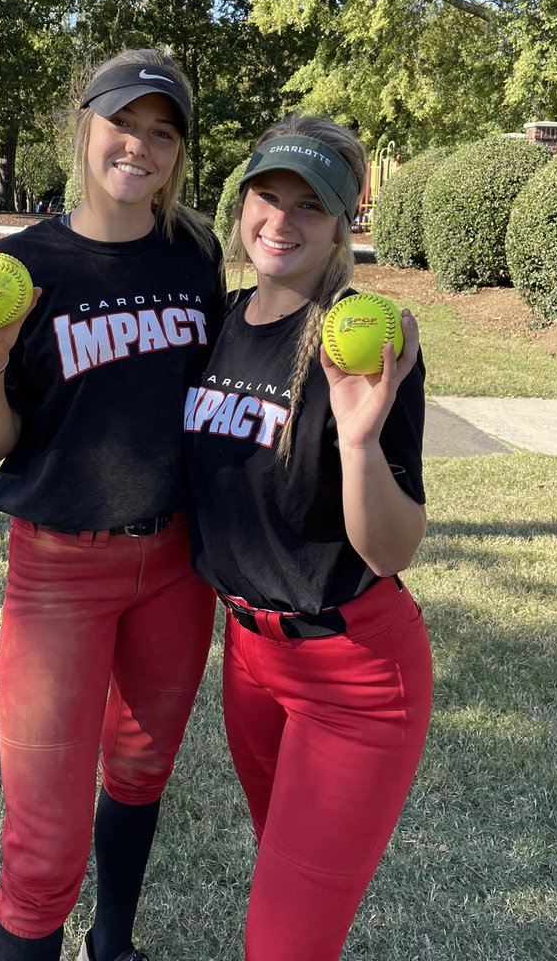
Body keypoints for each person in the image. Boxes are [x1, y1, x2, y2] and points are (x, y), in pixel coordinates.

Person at [0, 49, 223, 961]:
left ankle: (114, 946)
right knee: (41, 851)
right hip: (61, 570)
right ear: (85, 126)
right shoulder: (22, 266)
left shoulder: (195, 253)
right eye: (124, 124)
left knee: (141, 772)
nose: (140, 147)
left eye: (162, 133)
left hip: (176, 567)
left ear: (178, 152)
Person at [184, 114, 433, 961]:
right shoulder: (217, 322)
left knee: (281, 944)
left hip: (354, 676)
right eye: (267, 194)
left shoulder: (367, 340)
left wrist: (359, 442)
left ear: (344, 223)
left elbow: (391, 552)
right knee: (288, 907)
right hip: (249, 662)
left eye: (310, 205)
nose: (281, 221)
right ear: (242, 198)